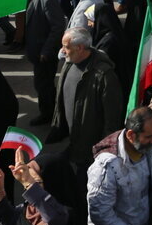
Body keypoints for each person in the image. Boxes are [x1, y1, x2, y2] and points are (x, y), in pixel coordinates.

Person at [51, 28, 124, 175]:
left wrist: (104, 151)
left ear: (79, 48)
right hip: (71, 139)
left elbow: (112, 118)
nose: (63, 51)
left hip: (89, 146)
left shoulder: (104, 75)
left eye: (66, 47)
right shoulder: (70, 62)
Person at [8, 0, 66, 124]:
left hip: (43, 53)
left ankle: (48, 115)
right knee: (41, 84)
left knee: (44, 85)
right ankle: (48, 111)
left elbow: (57, 27)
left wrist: (47, 50)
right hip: (38, 50)